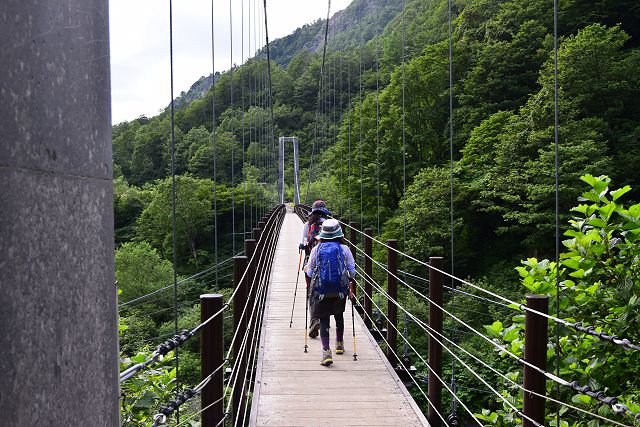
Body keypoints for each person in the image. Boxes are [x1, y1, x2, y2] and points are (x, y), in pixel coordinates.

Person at [305, 218, 356, 366]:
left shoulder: (316, 249)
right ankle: (339, 344)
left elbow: (309, 273)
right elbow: (352, 273)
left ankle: (326, 352)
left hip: (321, 291)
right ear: (339, 234)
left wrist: (309, 272)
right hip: (339, 290)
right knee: (339, 316)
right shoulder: (344, 249)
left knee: (324, 320)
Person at [299, 200, 331, 338]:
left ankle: (314, 321)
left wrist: (303, 246)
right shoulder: (331, 224)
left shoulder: (307, 225)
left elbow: (302, 243)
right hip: (328, 264)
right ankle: (326, 320)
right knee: (327, 289)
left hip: (311, 263)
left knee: (311, 290)